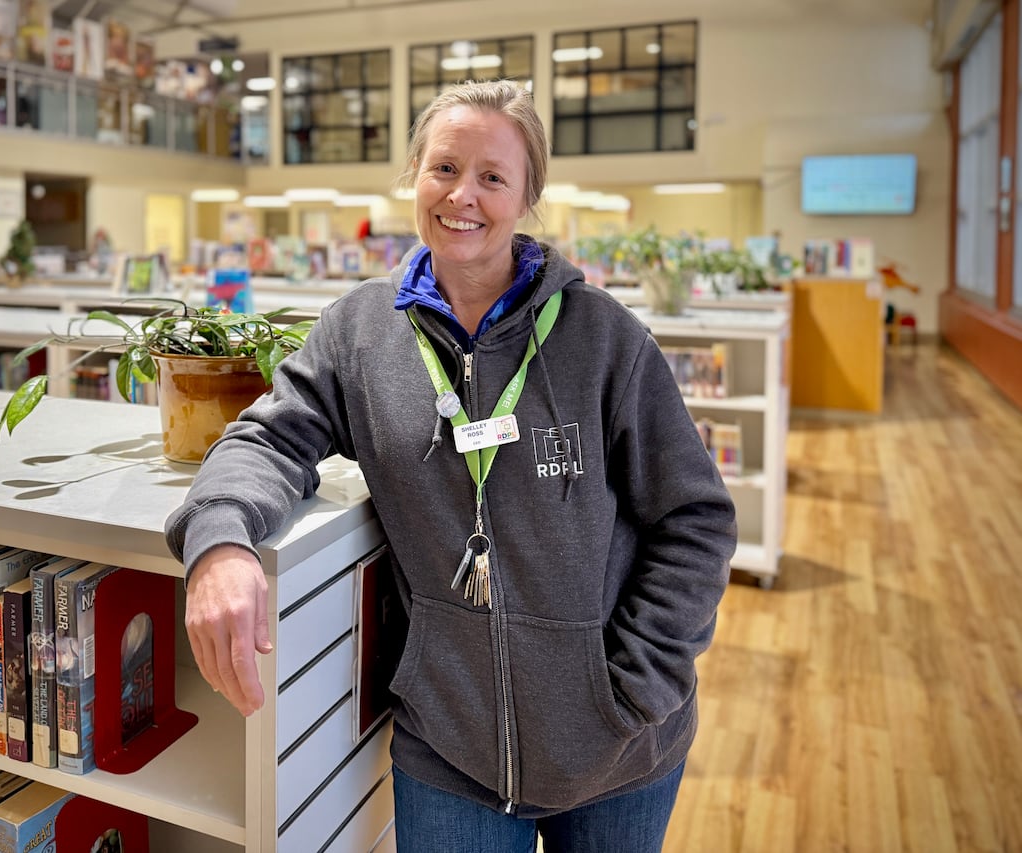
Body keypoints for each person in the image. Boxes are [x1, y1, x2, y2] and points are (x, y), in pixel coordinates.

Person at [165, 79, 736, 852]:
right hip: (449, 751)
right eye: (443, 168)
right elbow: (267, 439)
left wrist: (632, 687)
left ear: (527, 194)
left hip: (620, 754)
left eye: (492, 177)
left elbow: (696, 519)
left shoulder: (604, 340)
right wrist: (222, 541)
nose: (462, 195)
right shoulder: (360, 335)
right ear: (414, 176)